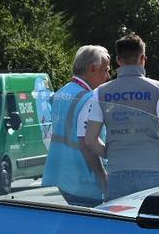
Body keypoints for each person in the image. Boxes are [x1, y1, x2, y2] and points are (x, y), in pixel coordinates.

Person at [80, 33, 159, 200]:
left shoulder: (100, 92)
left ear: (118, 60)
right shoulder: (158, 88)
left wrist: (112, 154)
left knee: (119, 225)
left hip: (117, 174)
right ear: (143, 59)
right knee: (153, 223)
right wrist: (158, 155)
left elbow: (90, 139)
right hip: (152, 172)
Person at [43, 45, 111, 206]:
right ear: (92, 68)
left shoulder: (62, 92)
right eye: (105, 70)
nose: (108, 76)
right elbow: (87, 143)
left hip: (63, 175)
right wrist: (103, 178)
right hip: (84, 179)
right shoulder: (88, 98)